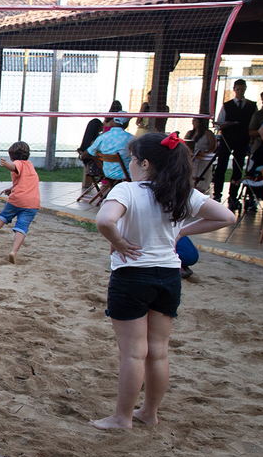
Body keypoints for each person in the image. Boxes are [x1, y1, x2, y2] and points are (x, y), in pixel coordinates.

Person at [90, 132, 236, 430]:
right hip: (169, 276)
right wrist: (182, 232)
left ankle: (122, 417)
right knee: (158, 351)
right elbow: (227, 217)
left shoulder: (127, 190)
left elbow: (104, 221)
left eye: (131, 159)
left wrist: (118, 241)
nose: (129, 164)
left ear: (144, 163)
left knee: (133, 352)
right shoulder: (182, 192)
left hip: (132, 276)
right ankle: (150, 412)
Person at [0, 141, 40, 264]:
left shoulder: (18, 163)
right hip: (33, 203)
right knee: (22, 228)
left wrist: (6, 164)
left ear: (11, 156)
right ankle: (14, 252)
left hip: (18, 200)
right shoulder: (30, 165)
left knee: (4, 216)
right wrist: (11, 189)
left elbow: (14, 167)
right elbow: (26, 181)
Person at [213, 78, 256, 209]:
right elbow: (219, 123)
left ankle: (233, 195)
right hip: (228, 139)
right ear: (234, 90)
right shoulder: (227, 105)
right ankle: (217, 193)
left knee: (238, 167)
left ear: (245, 89)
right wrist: (225, 126)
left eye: (242, 89)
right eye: (238, 89)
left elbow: (254, 123)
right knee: (221, 166)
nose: (240, 92)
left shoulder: (252, 106)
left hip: (242, 139)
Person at [183, 117, 217, 193]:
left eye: (195, 121)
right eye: (192, 121)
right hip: (192, 158)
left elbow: (213, 146)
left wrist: (206, 152)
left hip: (203, 159)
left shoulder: (208, 133)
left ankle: (201, 189)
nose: (193, 123)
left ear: (201, 122)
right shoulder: (190, 133)